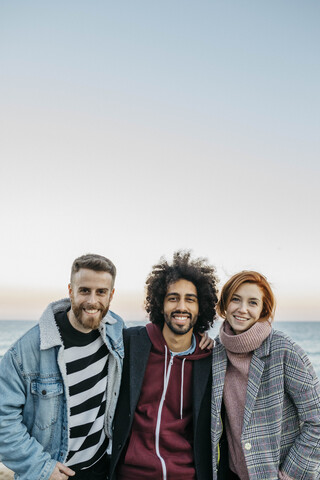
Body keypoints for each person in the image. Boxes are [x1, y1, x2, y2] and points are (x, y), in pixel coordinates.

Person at [0, 254, 124, 480]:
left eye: (101, 292)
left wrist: (200, 339)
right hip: (51, 474)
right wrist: (41, 468)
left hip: (100, 469)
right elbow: (2, 419)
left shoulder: (116, 333)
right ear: (70, 290)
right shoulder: (27, 350)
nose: (92, 301)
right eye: (84, 290)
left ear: (111, 295)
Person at [109, 250, 219, 480]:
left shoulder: (210, 360)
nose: (181, 306)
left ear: (201, 308)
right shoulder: (131, 343)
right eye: (173, 298)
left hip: (185, 475)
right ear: (160, 304)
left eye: (190, 299)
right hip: (130, 473)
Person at [211, 271, 320, 480]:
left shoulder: (283, 349)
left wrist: (290, 474)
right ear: (225, 304)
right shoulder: (216, 352)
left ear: (263, 309)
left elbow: (316, 419)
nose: (242, 309)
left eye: (253, 302)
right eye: (236, 299)